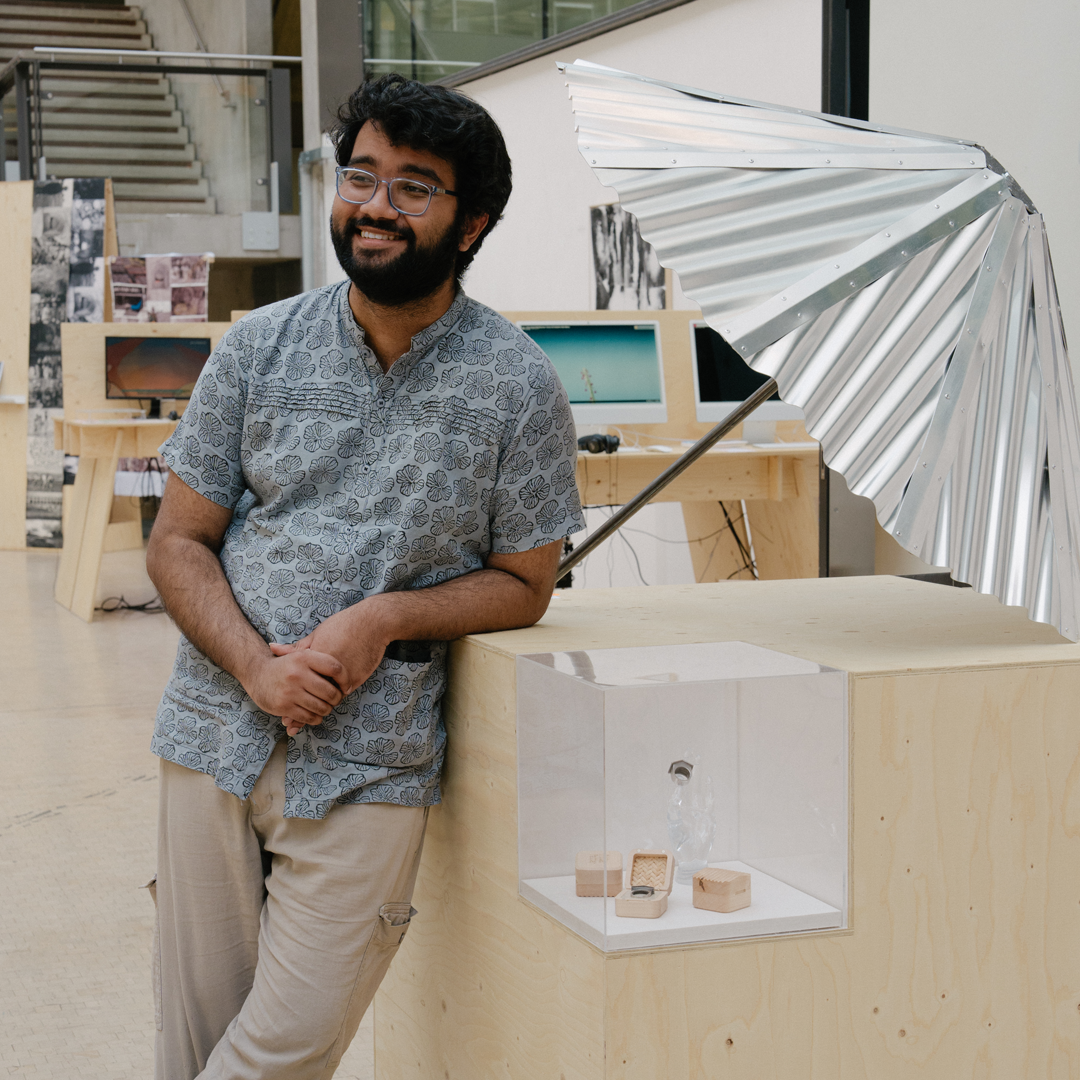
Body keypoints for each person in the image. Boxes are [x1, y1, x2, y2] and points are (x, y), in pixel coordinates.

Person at [146, 73, 584, 1080]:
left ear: (470, 224)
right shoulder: (258, 348)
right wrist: (256, 667)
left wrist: (383, 617)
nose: (376, 206)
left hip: (372, 759)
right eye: (361, 176)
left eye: (413, 187)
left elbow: (527, 581)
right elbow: (178, 540)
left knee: (282, 1051)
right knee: (193, 1048)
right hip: (210, 733)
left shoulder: (518, 385)